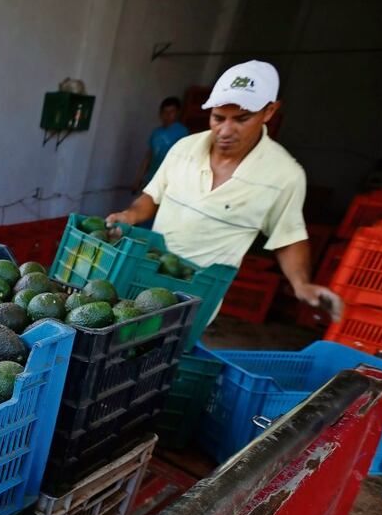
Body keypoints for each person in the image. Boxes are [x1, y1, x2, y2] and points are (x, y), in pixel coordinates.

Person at [106, 60, 342, 320]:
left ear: (269, 111)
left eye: (242, 119)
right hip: (146, 278)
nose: (226, 130)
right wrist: (130, 215)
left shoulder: (284, 175)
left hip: (197, 299)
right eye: (218, 118)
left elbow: (288, 237)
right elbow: (152, 196)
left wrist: (301, 284)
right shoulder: (184, 149)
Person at [132, 96, 188, 194]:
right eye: (165, 112)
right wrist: (138, 179)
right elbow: (148, 157)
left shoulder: (182, 132)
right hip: (150, 179)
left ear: (178, 113)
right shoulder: (156, 132)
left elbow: (184, 160)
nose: (168, 115)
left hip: (168, 183)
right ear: (160, 113)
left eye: (172, 112)